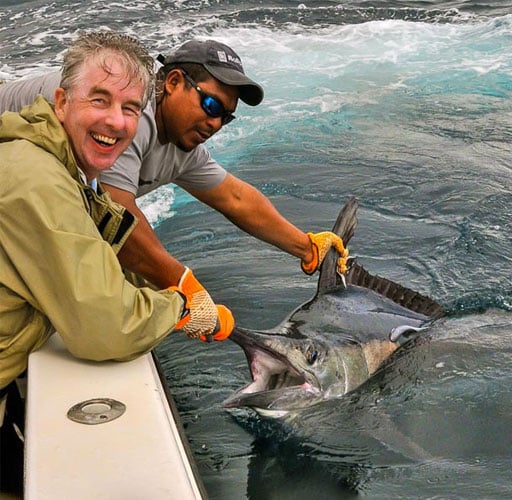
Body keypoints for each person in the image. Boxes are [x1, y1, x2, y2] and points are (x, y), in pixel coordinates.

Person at [0, 31, 232, 495]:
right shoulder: (36, 179)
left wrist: (306, 246)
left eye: (129, 109)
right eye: (99, 100)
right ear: (61, 101)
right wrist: (183, 307)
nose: (116, 121)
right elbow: (104, 327)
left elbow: (234, 196)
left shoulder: (61, 167)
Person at [0, 39, 349, 291]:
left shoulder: (183, 140)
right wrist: (185, 286)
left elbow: (234, 198)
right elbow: (118, 213)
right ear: (173, 82)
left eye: (225, 118)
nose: (214, 123)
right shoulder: (126, 116)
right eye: (211, 105)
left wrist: (307, 247)